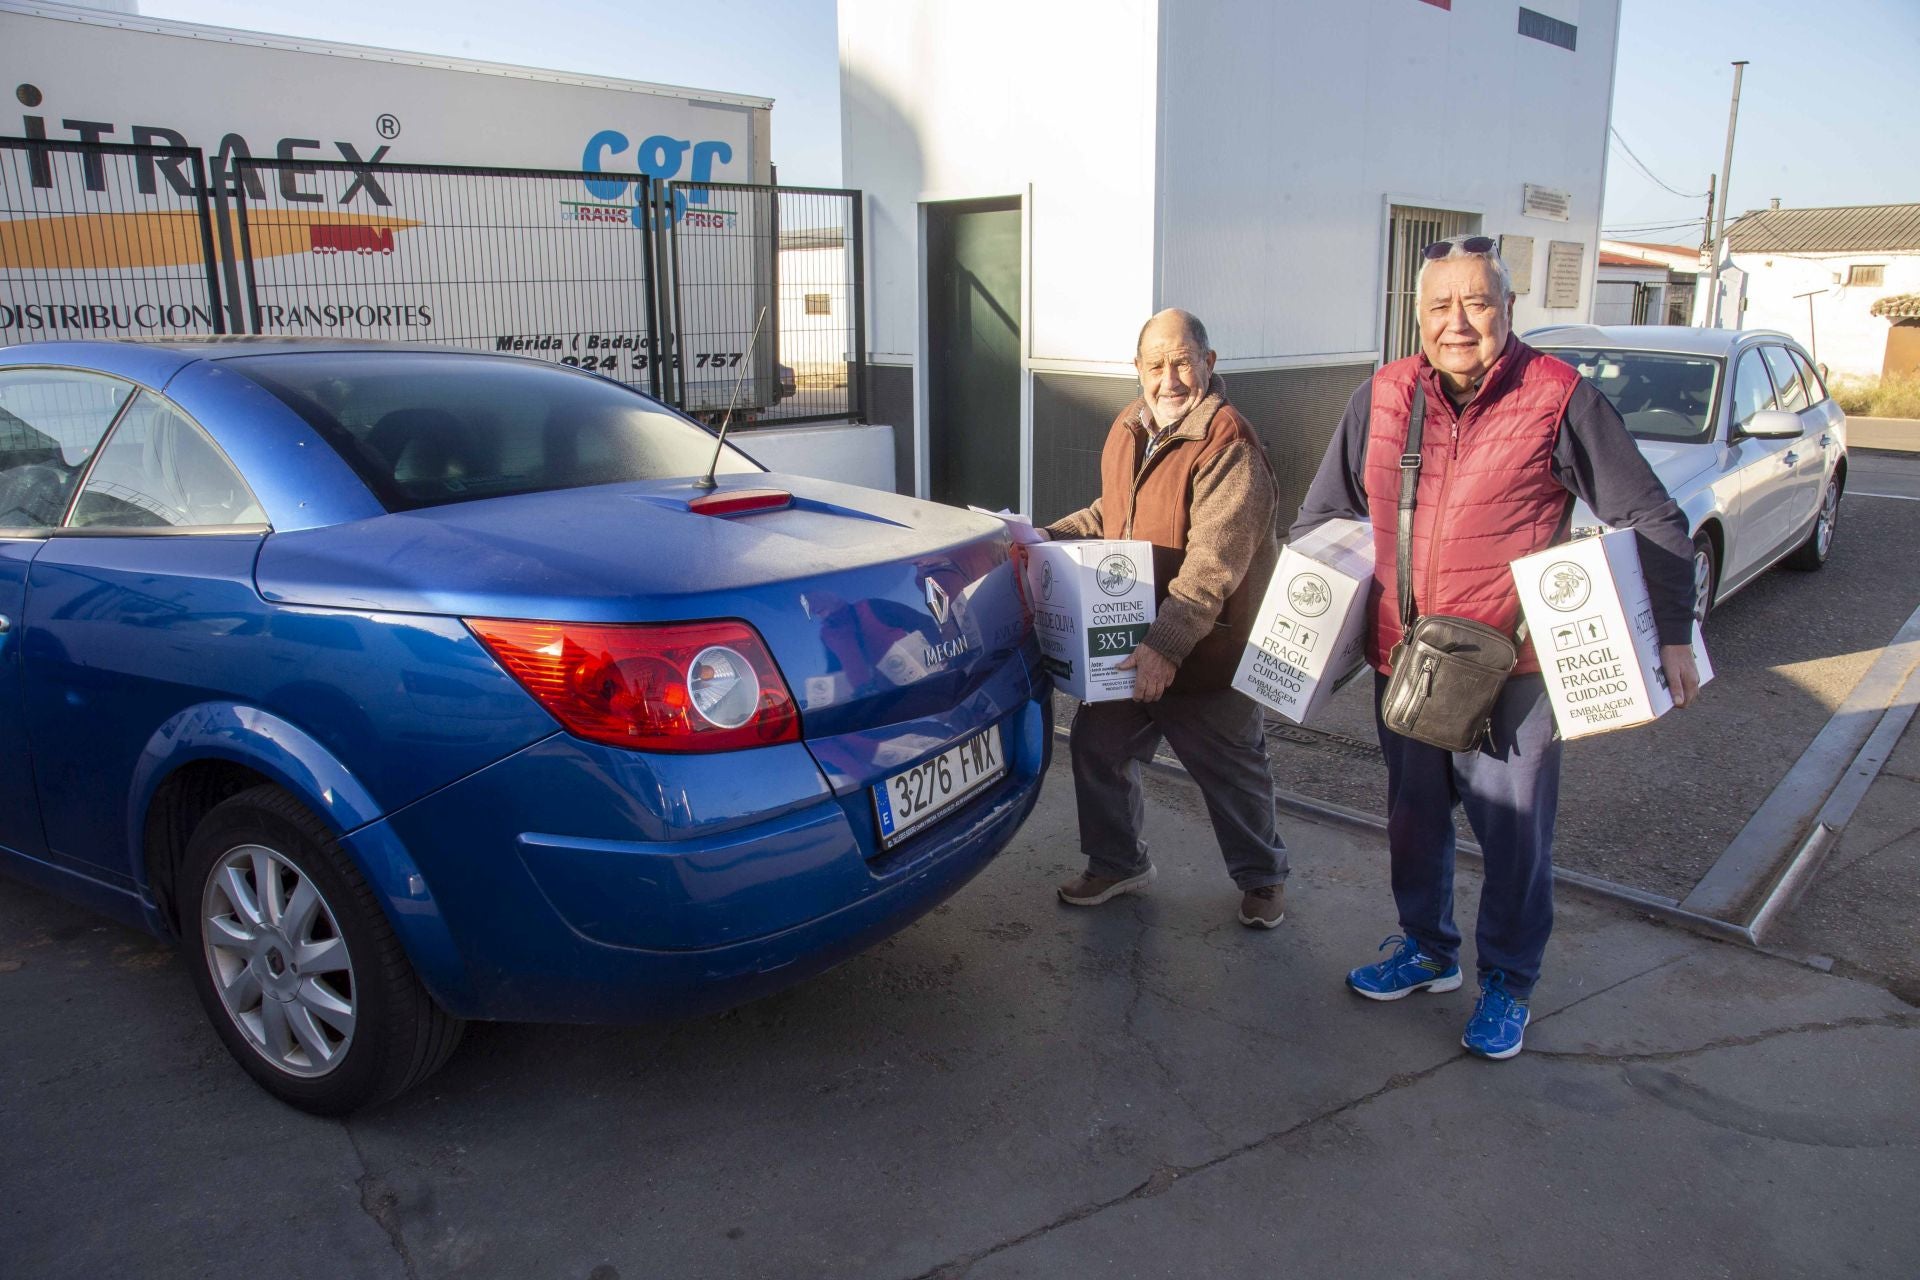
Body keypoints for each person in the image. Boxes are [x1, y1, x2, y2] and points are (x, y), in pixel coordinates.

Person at [1292, 236, 1700, 1059]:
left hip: (1513, 674)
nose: (1459, 322)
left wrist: (1674, 635)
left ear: (1509, 310)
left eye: (1477, 303)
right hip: (1405, 665)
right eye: (1441, 306)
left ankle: (1509, 983)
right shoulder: (1381, 397)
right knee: (1413, 824)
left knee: (1515, 839)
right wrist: (1307, 621)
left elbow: (1652, 517)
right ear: (1417, 317)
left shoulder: (1559, 398)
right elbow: (1322, 518)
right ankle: (1428, 951)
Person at [1036, 308, 1289, 928]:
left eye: (1181, 362)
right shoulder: (1131, 425)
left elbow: (1213, 565)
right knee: (1097, 747)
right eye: (1155, 365)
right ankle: (1118, 862)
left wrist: (1167, 646)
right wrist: (1045, 537)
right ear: (1138, 369)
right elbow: (1112, 513)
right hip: (1129, 640)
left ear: (1209, 362)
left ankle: (1263, 877)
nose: (1168, 379)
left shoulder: (1229, 443)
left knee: (1231, 771)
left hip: (1205, 650)